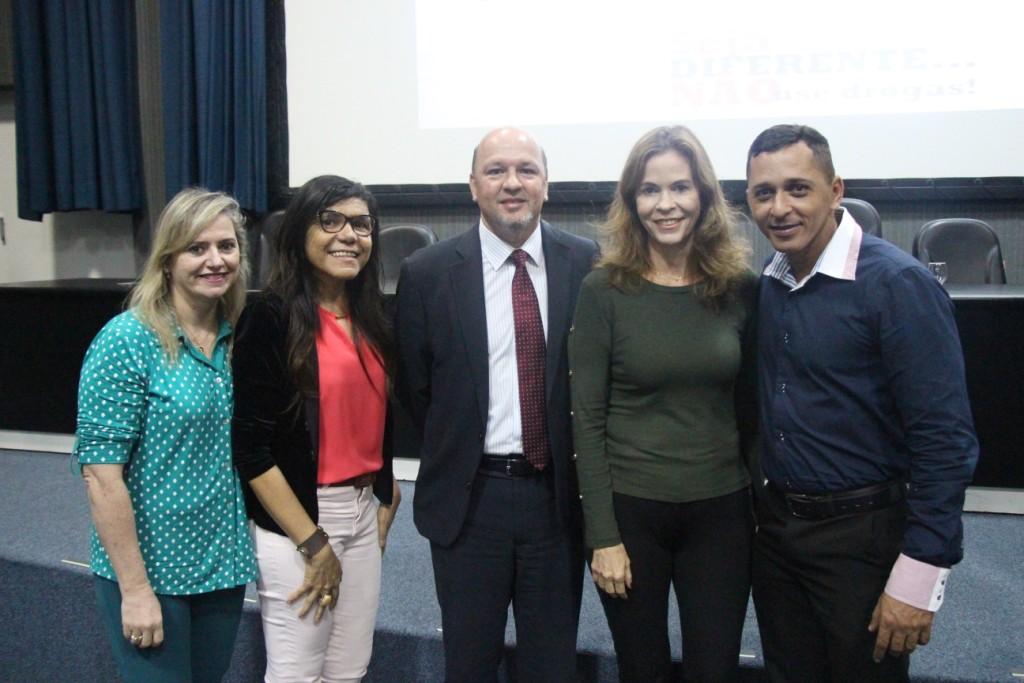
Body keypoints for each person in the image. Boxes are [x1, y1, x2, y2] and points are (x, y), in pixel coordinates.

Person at [745, 124, 979, 682]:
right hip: (778, 537)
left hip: (863, 542)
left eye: (798, 189)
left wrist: (920, 576)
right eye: (763, 193)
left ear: (835, 189)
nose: (779, 208)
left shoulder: (898, 284)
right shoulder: (772, 281)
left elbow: (946, 440)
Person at [394, 127, 598, 681]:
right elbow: (416, 390)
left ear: (546, 184)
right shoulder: (428, 273)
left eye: (527, 170)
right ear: (473, 185)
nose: (513, 183)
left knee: (551, 663)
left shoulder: (587, 264)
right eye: (496, 170)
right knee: (469, 662)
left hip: (555, 500)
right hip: (468, 500)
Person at [569, 125, 757, 682]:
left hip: (722, 512)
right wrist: (601, 535)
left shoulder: (739, 287)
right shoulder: (603, 291)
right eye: (650, 190)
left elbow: (752, 412)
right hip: (630, 513)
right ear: (632, 201)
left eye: (680, 187)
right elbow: (586, 418)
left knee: (714, 669)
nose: (666, 204)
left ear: (703, 195)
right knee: (642, 668)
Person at [75, 188, 258, 682]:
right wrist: (135, 590)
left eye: (227, 246)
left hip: (221, 564)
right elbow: (100, 478)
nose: (215, 260)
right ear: (168, 259)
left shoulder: (240, 334)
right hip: (152, 570)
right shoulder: (127, 341)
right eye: (197, 248)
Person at [232, 175, 400, 682]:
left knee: (350, 669)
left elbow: (380, 417)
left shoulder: (373, 316)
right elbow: (252, 450)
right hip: (300, 520)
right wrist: (312, 541)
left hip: (363, 511)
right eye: (331, 221)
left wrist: (387, 494)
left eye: (362, 225)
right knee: (296, 674)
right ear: (300, 233)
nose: (349, 235)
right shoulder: (270, 316)